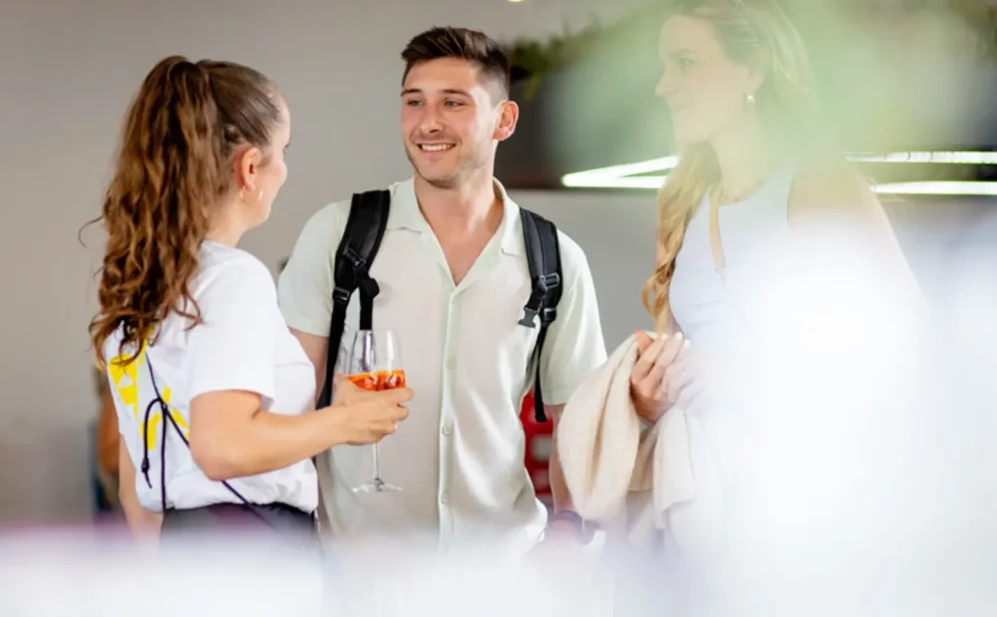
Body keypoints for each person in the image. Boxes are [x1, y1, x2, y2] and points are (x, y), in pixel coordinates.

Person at [278, 27, 608, 557]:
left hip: (501, 572)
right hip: (359, 570)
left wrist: (572, 531)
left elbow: (578, 422)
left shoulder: (556, 259)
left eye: (453, 103)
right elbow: (288, 400)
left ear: (504, 120)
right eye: (414, 102)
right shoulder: (339, 234)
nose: (428, 122)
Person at [625, 0, 925, 560]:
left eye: (686, 62)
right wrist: (649, 394)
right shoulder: (688, 202)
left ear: (753, 70)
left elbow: (904, 353)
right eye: (663, 66)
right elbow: (685, 363)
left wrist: (746, 381)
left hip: (814, 515)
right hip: (704, 513)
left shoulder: (818, 185)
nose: (664, 86)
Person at [88, 56, 412, 545]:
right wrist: (345, 420)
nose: (284, 170)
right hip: (255, 546)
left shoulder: (142, 287)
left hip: (182, 550)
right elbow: (223, 447)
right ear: (251, 167)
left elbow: (139, 480)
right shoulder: (231, 279)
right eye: (283, 151)